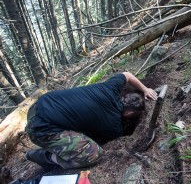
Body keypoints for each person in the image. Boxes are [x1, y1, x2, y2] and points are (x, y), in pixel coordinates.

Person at [25, 72, 157, 169]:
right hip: (40, 129)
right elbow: (116, 136)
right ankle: (45, 156)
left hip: (39, 105)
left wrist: (144, 89)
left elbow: (127, 75)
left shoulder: (110, 87)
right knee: (92, 154)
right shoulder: (113, 123)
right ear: (129, 113)